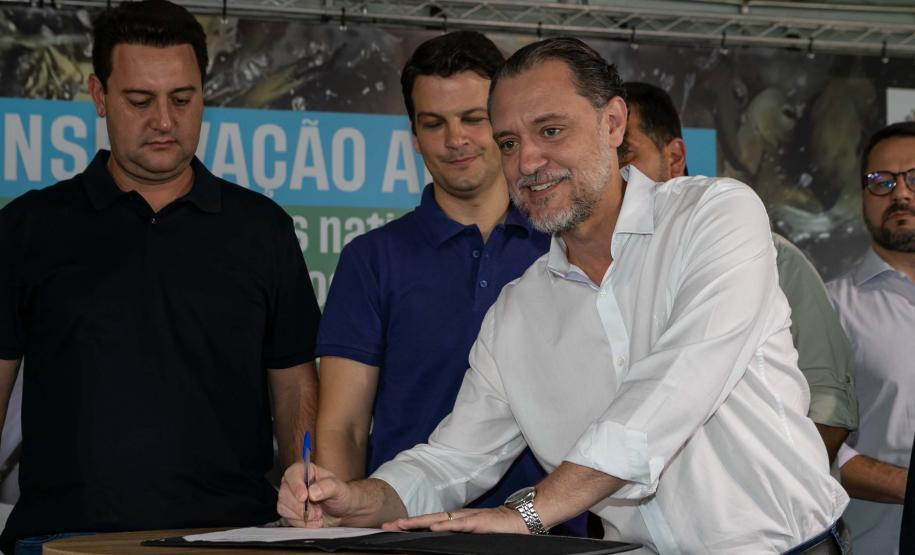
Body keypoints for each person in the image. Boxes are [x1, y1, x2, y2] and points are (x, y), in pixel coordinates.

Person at [278, 37, 847, 554]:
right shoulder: (516, 314)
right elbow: (452, 460)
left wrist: (529, 511)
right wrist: (358, 500)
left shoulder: (715, 215)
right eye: (508, 141)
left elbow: (677, 385)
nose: (527, 162)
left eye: (551, 131)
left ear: (613, 122)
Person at [0, 1, 321, 552]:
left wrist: (307, 494)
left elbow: (294, 385)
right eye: (139, 100)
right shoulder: (29, 227)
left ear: (205, 92)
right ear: (99, 96)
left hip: (233, 535)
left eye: (182, 98)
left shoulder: (261, 229)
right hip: (63, 537)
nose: (164, 121)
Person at [312, 30, 586, 535]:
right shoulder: (372, 259)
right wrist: (340, 533)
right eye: (433, 123)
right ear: (413, 136)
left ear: (503, 123)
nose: (455, 139)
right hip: (406, 533)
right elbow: (342, 426)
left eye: (473, 119)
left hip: (556, 534)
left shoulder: (565, 246)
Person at [620, 81, 858, 465]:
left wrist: (765, 504)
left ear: (675, 156)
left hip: (772, 520)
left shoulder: (774, 257)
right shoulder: (597, 273)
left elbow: (827, 412)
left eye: (624, 154)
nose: (612, 175)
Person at [826, 121, 915, 555]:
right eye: (881, 181)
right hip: (876, 544)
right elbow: (808, 443)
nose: (900, 193)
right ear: (863, 197)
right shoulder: (829, 309)